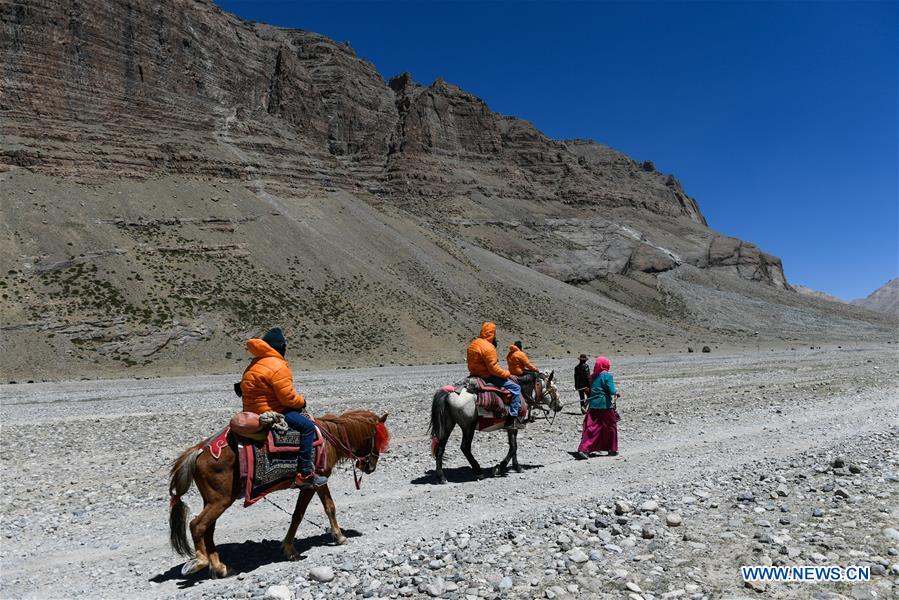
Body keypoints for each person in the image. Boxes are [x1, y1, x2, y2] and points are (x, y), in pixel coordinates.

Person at [240, 327, 327, 488]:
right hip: (272, 410)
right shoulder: (278, 365)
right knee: (308, 427)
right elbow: (287, 398)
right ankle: (305, 473)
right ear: (281, 347)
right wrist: (302, 402)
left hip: (250, 410)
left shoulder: (255, 362)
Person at [467, 322, 522, 427]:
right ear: (492, 333)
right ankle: (512, 418)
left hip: (474, 373)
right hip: (487, 375)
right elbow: (493, 369)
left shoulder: (473, 344)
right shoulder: (489, 347)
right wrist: (507, 374)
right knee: (516, 388)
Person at [575, 356, 620, 459]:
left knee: (593, 427)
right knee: (611, 426)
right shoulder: (607, 376)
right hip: (605, 405)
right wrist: (616, 393)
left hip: (593, 405)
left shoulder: (593, 376)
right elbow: (611, 390)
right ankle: (612, 449)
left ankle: (584, 448)